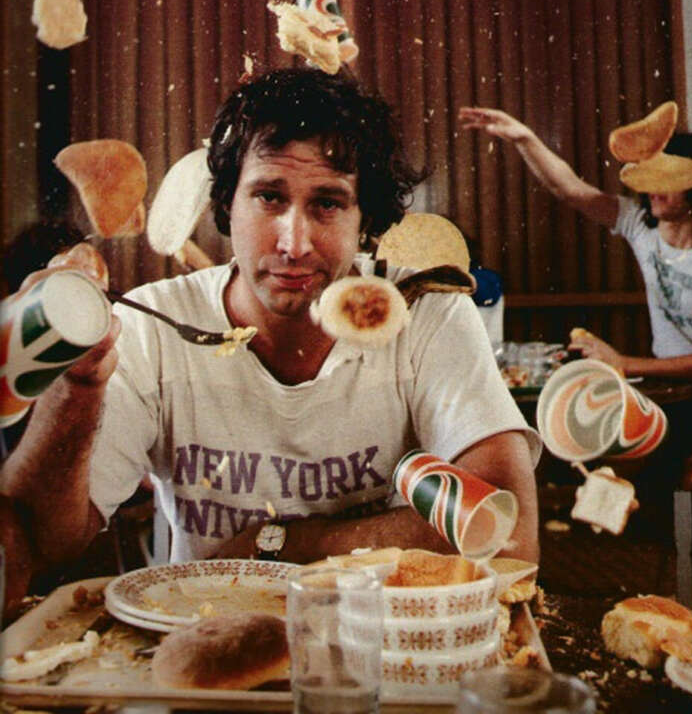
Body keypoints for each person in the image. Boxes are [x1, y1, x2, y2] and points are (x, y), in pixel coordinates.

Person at [1, 69, 540, 570]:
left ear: (365, 219)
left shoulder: (427, 314)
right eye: (268, 196)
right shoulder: (153, 324)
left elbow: (509, 535)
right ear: (226, 205)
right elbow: (42, 541)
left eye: (327, 203)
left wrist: (279, 543)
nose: (294, 243)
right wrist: (76, 387)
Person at [459, 106, 692, 486]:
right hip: (675, 389)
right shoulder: (642, 226)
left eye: (668, 177)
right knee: (614, 476)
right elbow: (570, 189)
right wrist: (522, 136)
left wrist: (621, 362)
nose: (653, 187)